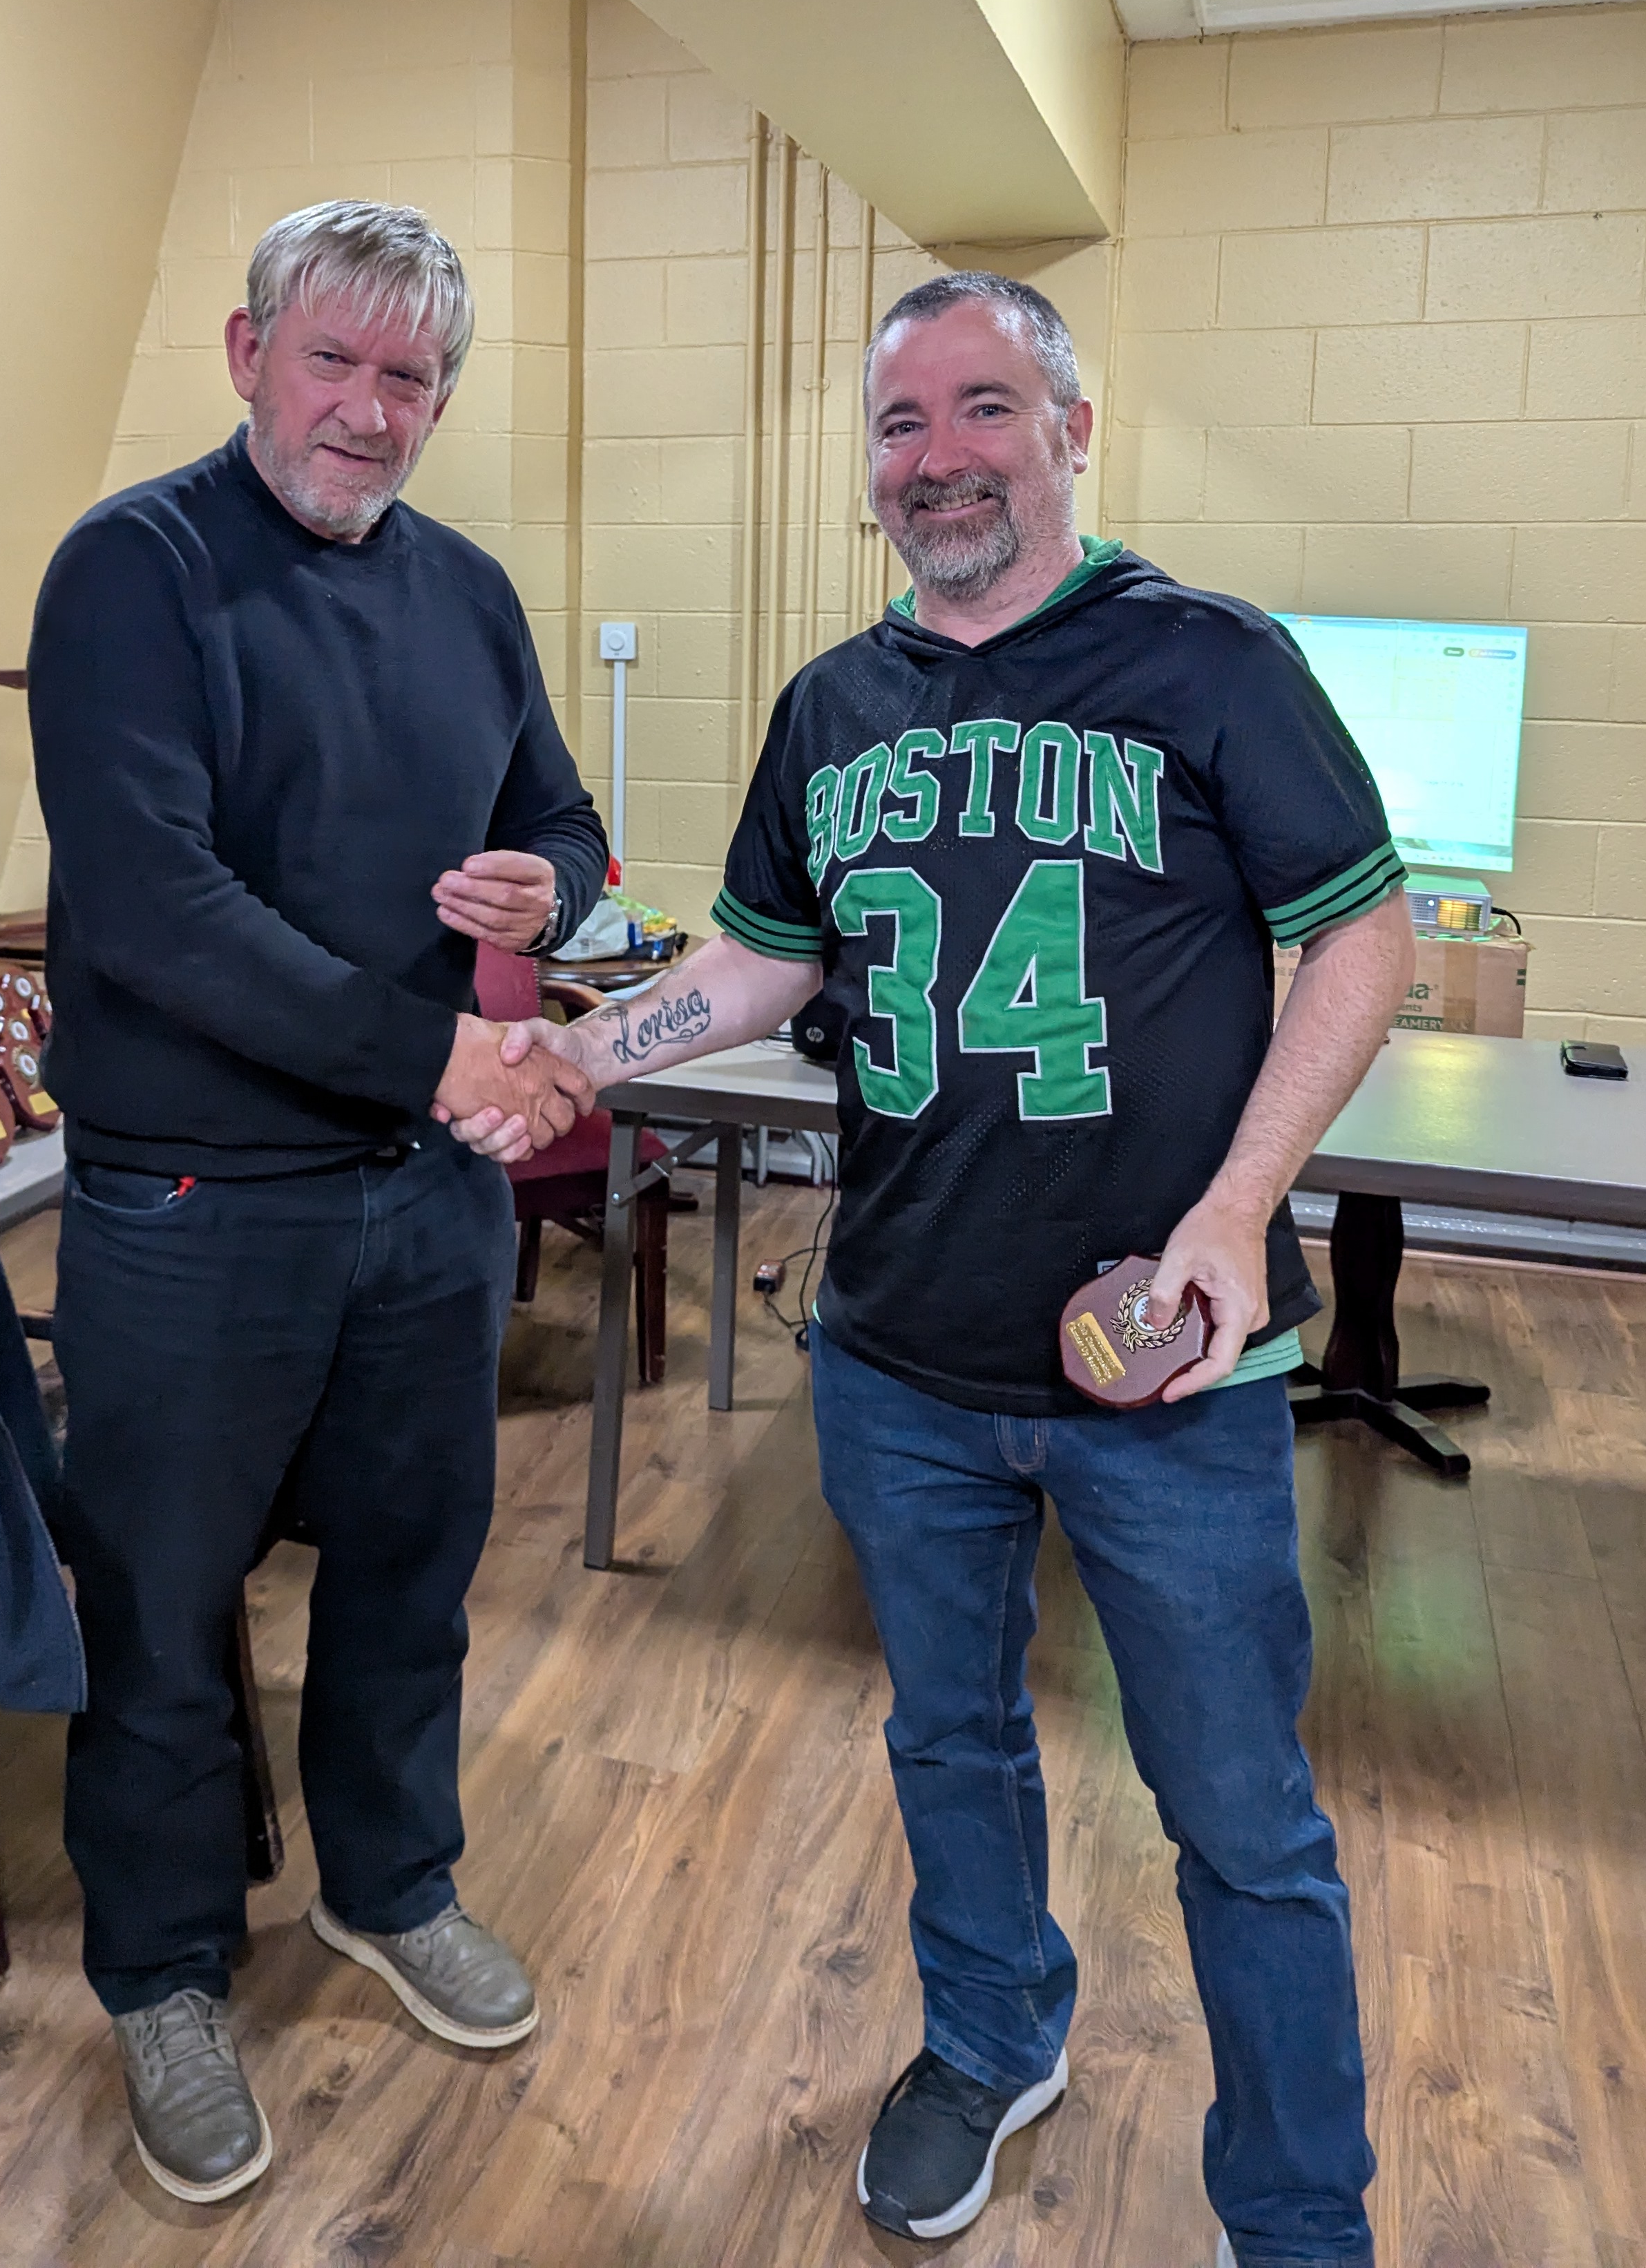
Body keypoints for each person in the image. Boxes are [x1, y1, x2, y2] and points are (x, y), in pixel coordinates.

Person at [454, 271, 1409, 2268]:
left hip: (1166, 1369)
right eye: (902, 423)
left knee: (1242, 1819)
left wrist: (1238, 1209)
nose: (941, 457)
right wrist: (583, 1055)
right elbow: (762, 960)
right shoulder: (833, 704)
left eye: (986, 410)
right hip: (897, 1357)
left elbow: (1360, 933)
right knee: (948, 1742)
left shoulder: (1210, 660)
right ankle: (991, 2040)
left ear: (1072, 432)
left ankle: (1298, 2214)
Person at [28, 200, 606, 2204]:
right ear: (246, 352)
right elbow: (159, 910)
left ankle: (390, 1882)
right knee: (163, 1608)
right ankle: (163, 1973)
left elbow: (565, 822)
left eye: (410, 377)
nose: (369, 410)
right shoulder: (137, 570)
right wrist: (438, 1052)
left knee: (409, 1577)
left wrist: (549, 891)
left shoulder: (471, 594)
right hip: (195, 1204)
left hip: (424, 1207)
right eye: (333, 360)